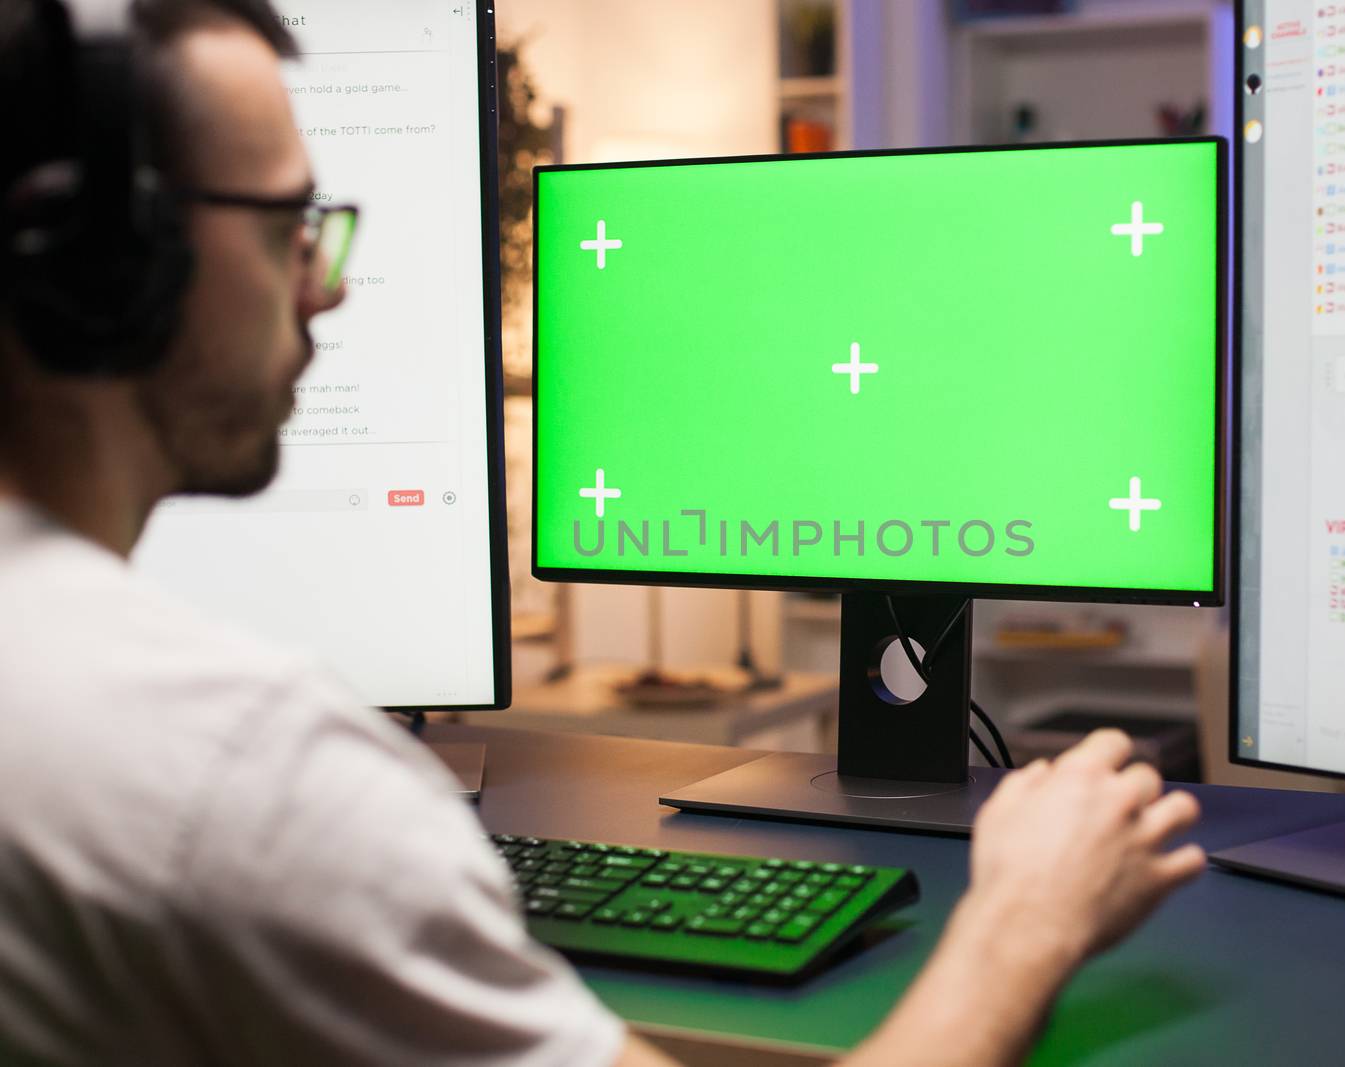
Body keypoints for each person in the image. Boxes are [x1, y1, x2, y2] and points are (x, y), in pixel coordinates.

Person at [0, 0, 1207, 1063]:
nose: (328, 283)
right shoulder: (236, 772)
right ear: (107, 262)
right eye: (286, 226)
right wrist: (1023, 921)